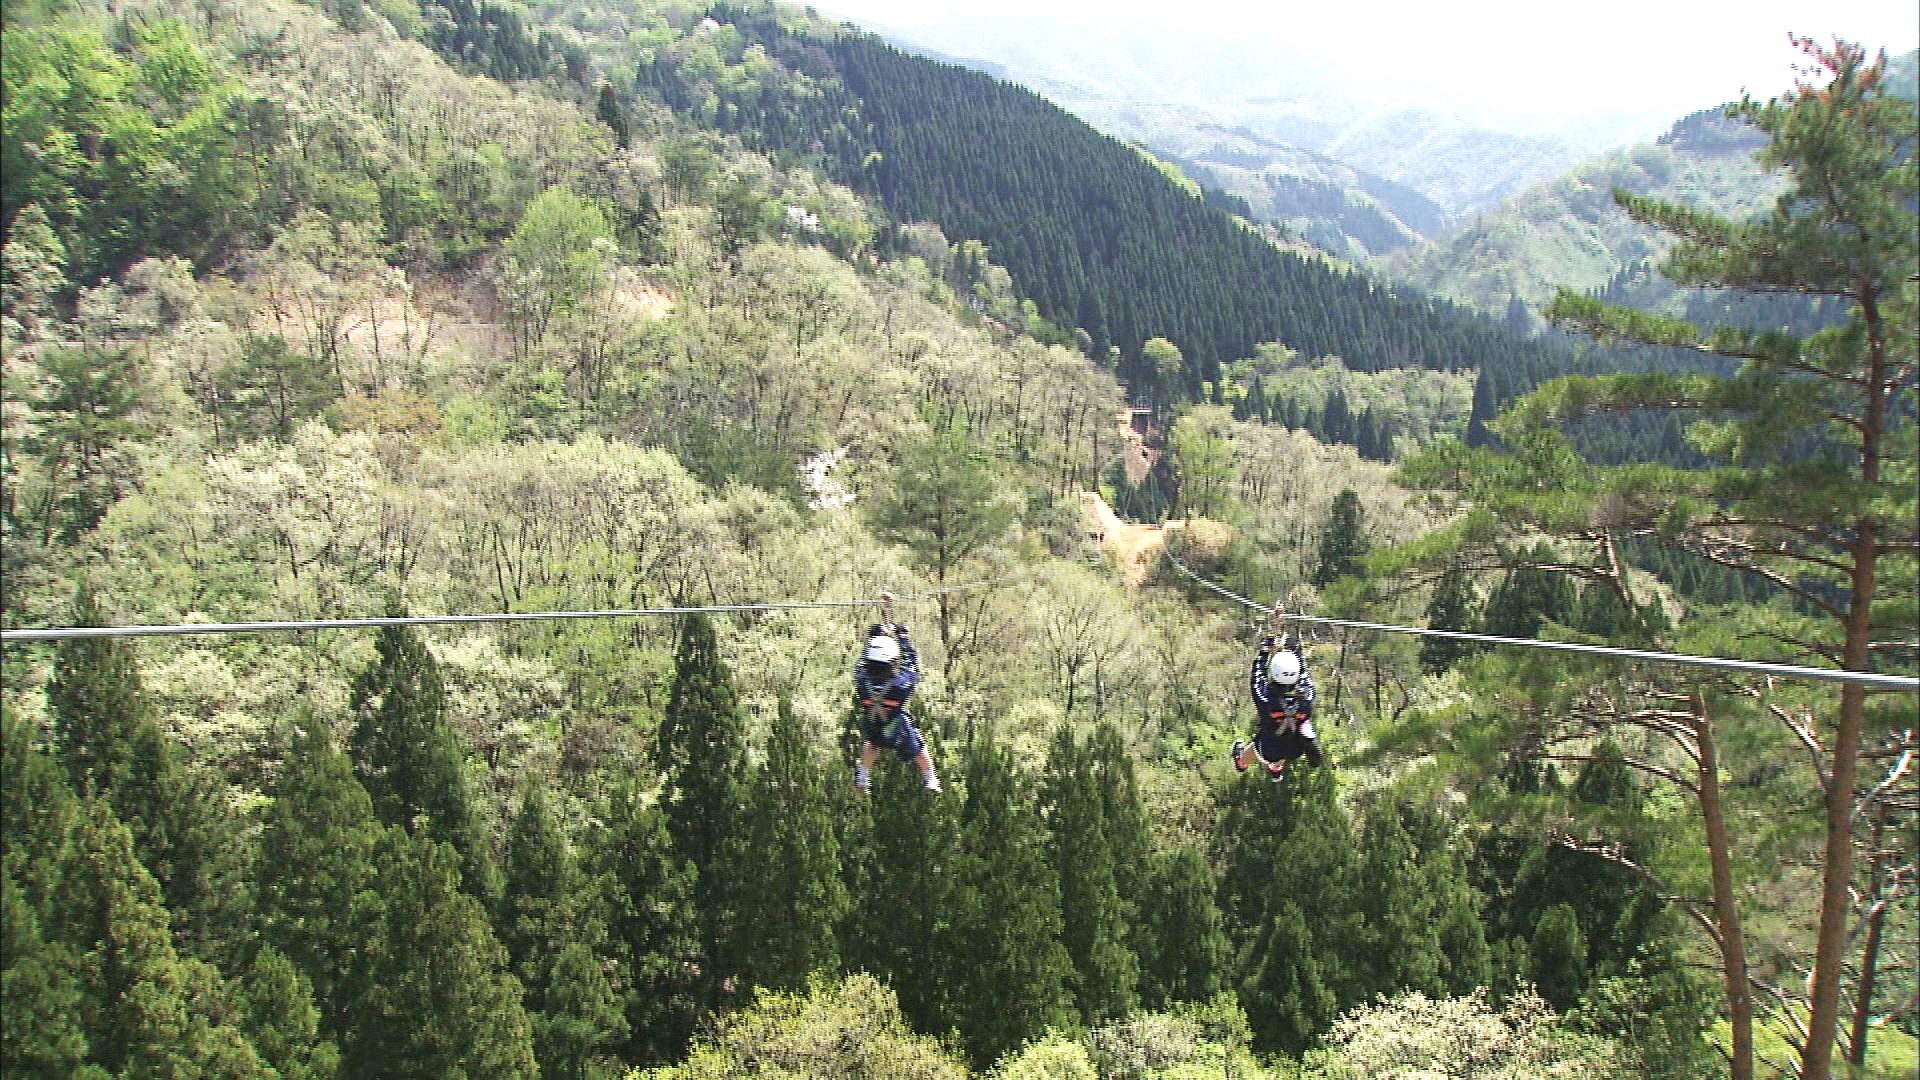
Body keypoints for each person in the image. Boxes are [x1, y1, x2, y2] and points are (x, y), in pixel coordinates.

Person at [853, 594, 941, 794]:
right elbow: (911, 667)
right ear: (891, 662)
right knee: (918, 748)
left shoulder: (862, 681)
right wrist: (902, 638)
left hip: (873, 724)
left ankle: (863, 776)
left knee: (872, 744)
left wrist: (873, 637)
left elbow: (862, 663)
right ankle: (930, 779)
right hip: (896, 727)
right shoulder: (899, 687)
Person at [1232, 608, 1323, 781]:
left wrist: (1267, 646)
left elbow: (1257, 672)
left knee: (1259, 744)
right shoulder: (1307, 695)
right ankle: (1275, 767)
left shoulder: (1266, 698)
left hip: (1270, 747)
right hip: (1296, 749)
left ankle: (1241, 762)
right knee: (1287, 733)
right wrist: (1293, 647)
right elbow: (1302, 671)